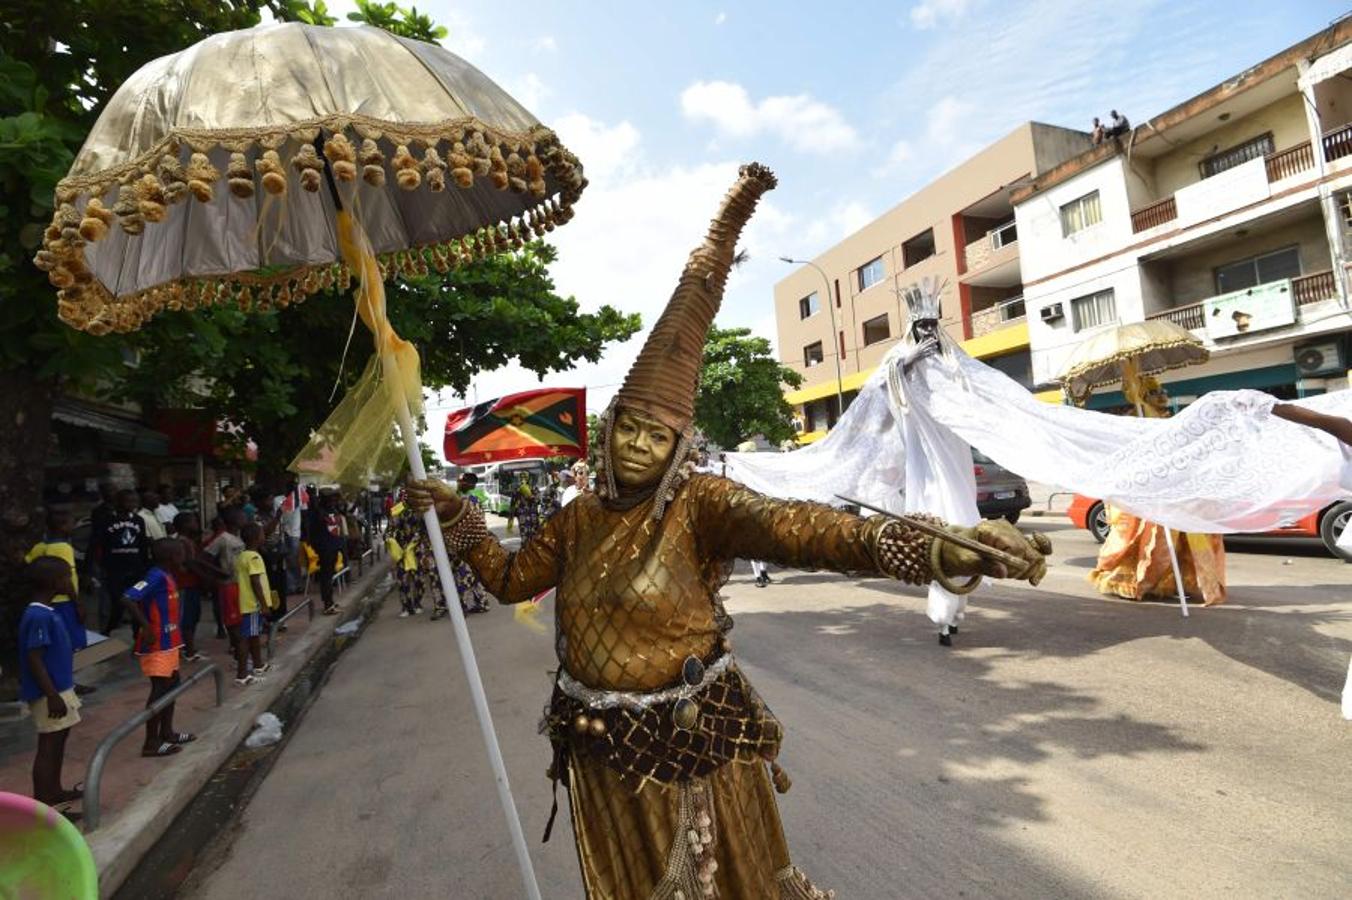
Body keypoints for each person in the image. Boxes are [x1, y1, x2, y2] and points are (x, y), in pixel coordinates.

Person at [408, 164, 1049, 899]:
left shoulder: (702, 504)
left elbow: (801, 529)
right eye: (629, 432)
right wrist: (457, 516)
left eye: (657, 437)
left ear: (679, 447)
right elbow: (510, 580)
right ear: (607, 434)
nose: (639, 448)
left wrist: (924, 546)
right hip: (597, 749)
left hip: (692, 742)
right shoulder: (578, 518)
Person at [1089, 377, 1226, 606]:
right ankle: (1138, 581)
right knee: (1147, 542)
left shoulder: (1168, 419)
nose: (1163, 396)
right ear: (1142, 394)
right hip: (1147, 493)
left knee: (1185, 541)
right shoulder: (1135, 419)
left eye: (1162, 390)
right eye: (1155, 391)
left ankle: (1183, 583)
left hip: (1175, 489)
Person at [18, 556, 83, 811]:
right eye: (67, 576)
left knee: (59, 739)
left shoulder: (48, 612)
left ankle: (54, 791)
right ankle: (45, 802)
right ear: (54, 582)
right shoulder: (37, 615)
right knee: (49, 743)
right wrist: (52, 694)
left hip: (60, 687)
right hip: (50, 692)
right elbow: (34, 658)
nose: (70, 581)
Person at [122, 538, 196, 757]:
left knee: (172, 686)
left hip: (171, 641)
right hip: (158, 644)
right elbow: (128, 598)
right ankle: (151, 742)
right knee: (160, 689)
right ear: (171, 557)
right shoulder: (154, 576)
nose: (184, 555)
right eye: (181, 552)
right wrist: (146, 626)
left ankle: (167, 732)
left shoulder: (167, 576)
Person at [25, 509, 95, 695]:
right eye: (72, 522)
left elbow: (28, 564)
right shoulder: (63, 548)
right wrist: (77, 602)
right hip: (64, 601)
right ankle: (67, 681)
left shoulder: (39, 546)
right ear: (63, 526)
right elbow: (65, 577)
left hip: (49, 601)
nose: (74, 526)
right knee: (69, 642)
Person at [94, 489, 150, 634]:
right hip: (114, 569)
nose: (133, 504)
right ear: (118, 502)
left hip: (136, 568)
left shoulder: (138, 520)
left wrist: (145, 567)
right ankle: (106, 633)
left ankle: (137, 637)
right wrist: (93, 569)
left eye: (135, 501)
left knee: (137, 603)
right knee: (116, 604)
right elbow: (96, 544)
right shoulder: (107, 520)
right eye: (129, 501)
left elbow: (142, 544)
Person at [233, 522, 275, 686]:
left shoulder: (243, 555)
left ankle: (258, 664)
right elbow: (255, 581)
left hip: (248, 604)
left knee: (254, 635)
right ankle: (242, 674)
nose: (264, 536)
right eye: (262, 534)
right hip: (252, 604)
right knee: (246, 638)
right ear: (257, 538)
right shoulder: (254, 557)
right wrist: (264, 604)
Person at [173, 512, 214, 661]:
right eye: (193, 522)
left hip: (192, 584)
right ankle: (188, 651)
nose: (196, 524)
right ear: (184, 525)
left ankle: (188, 648)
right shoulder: (182, 542)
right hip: (185, 584)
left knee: (193, 616)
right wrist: (207, 577)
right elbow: (191, 563)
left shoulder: (189, 541)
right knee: (187, 618)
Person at [205, 508, 247, 653]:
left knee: (240, 615)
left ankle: (238, 643)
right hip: (228, 583)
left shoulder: (242, 536)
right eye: (242, 517)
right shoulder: (222, 538)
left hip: (240, 582)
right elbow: (205, 557)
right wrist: (219, 573)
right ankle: (234, 644)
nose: (245, 519)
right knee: (231, 617)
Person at [307, 490, 344, 615]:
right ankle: (327, 603)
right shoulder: (318, 513)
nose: (333, 501)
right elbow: (312, 531)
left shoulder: (334, 510)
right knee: (326, 577)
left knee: (330, 576)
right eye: (331, 499)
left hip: (334, 546)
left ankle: (330, 600)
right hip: (324, 548)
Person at [386, 509, 424, 617]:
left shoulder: (417, 511)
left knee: (419, 580)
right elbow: (389, 534)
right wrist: (394, 547)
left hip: (415, 551)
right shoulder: (396, 511)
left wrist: (416, 543)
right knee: (403, 581)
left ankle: (417, 603)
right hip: (401, 552)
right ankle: (406, 607)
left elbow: (422, 530)